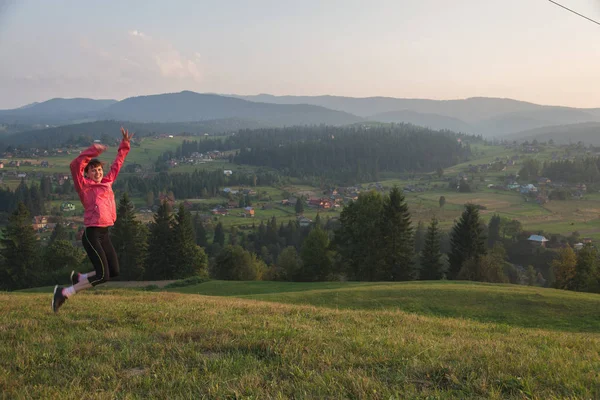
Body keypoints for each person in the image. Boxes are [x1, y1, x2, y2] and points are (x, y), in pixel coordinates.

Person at [52, 127, 134, 313]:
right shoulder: (84, 186)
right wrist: (93, 151)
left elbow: (117, 164)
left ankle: (80, 279)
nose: (97, 173)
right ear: (87, 173)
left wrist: (125, 145)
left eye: (99, 170)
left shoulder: (107, 182)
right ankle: (64, 292)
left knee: (114, 271)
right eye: (93, 170)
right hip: (92, 234)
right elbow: (75, 165)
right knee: (103, 275)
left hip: (104, 233)